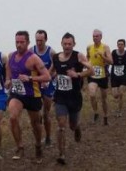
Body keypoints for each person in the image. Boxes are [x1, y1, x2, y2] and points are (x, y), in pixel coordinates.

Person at [5, 31, 51, 162]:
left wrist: (30, 78)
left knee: (35, 123)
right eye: (17, 42)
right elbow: (8, 70)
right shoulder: (11, 56)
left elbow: (47, 76)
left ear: (28, 43)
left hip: (32, 95)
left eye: (21, 42)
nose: (19, 45)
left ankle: (38, 146)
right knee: (13, 117)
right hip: (17, 94)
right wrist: (8, 80)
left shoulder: (34, 58)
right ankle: (20, 147)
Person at [51, 32, 93, 165]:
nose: (67, 46)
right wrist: (49, 77)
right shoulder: (56, 57)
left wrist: (77, 74)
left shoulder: (78, 56)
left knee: (72, 125)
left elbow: (91, 70)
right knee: (61, 125)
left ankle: (77, 127)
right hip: (60, 97)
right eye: (65, 44)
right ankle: (61, 154)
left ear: (74, 44)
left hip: (74, 97)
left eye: (70, 44)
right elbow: (51, 71)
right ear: (61, 44)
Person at [30, 30, 56, 147]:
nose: (39, 43)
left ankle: (49, 137)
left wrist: (48, 76)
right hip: (36, 84)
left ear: (46, 39)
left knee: (46, 113)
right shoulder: (31, 51)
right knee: (37, 114)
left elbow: (56, 66)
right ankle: (38, 137)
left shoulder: (51, 52)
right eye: (37, 40)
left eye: (41, 40)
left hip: (48, 85)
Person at [86, 29, 113, 125]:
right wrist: (87, 66)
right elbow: (87, 58)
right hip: (93, 74)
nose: (95, 38)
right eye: (93, 36)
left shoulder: (105, 47)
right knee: (92, 94)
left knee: (104, 98)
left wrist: (103, 56)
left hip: (103, 75)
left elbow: (111, 61)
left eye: (97, 36)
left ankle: (105, 116)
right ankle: (96, 112)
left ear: (101, 37)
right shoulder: (89, 47)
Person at [110, 39, 126, 117]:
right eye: (118, 44)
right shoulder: (113, 53)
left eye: (121, 44)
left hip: (123, 76)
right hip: (114, 76)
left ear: (124, 45)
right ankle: (118, 106)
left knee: (121, 94)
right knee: (115, 95)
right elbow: (109, 61)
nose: (120, 46)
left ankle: (119, 111)